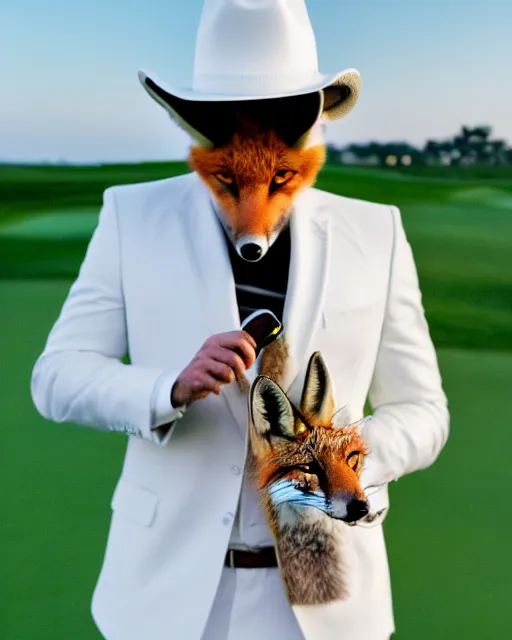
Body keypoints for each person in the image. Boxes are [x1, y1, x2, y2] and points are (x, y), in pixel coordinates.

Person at [30, 1, 449, 639]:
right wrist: (167, 388)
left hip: (329, 600)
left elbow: (424, 411)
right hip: (163, 603)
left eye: (282, 116)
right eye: (226, 121)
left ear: (313, 118)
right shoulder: (131, 217)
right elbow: (56, 377)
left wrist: (343, 458)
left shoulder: (377, 232)